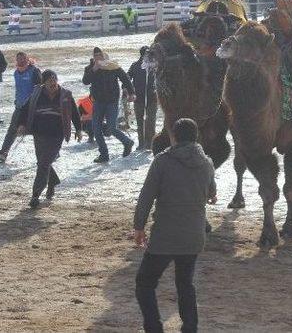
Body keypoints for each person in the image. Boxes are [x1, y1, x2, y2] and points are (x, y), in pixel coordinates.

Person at [134, 118, 217, 333]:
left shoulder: (162, 161)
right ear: (196, 136)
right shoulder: (207, 163)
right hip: (193, 236)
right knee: (185, 284)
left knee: (145, 283)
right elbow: (211, 192)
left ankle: (154, 328)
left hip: (165, 235)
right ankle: (190, 328)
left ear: (174, 136)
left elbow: (146, 197)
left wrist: (139, 226)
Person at [17, 70, 82, 208]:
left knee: (44, 163)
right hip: (39, 133)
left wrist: (79, 129)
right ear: (44, 83)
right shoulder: (36, 94)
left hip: (57, 134)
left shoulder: (65, 95)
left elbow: (75, 113)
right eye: (49, 80)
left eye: (54, 80)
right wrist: (22, 125)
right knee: (42, 162)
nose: (52, 83)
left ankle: (35, 195)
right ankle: (52, 182)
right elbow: (24, 109)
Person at [82, 47, 135, 163]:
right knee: (96, 129)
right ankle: (104, 154)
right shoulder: (90, 68)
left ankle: (127, 142)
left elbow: (125, 78)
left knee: (111, 128)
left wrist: (131, 93)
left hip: (112, 102)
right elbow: (85, 81)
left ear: (103, 55)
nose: (98, 58)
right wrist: (94, 69)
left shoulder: (112, 66)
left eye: (99, 55)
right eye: (95, 56)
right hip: (98, 102)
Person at [0, 52, 42, 162]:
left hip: (33, 108)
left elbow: (40, 89)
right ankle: (3, 153)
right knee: (12, 130)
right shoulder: (16, 73)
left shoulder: (34, 71)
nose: (21, 61)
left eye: (23, 59)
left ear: (27, 60)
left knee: (40, 132)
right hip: (20, 107)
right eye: (19, 59)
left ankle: (53, 153)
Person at [127, 46, 157, 151]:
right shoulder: (135, 66)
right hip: (138, 99)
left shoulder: (155, 66)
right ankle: (141, 144)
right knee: (140, 122)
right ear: (143, 55)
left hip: (152, 98)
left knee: (150, 121)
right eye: (148, 54)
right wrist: (127, 89)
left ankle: (150, 144)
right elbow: (127, 77)